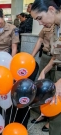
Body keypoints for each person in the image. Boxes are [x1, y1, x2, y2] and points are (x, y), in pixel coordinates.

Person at [31, 0, 61, 134]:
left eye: (39, 18)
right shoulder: (56, 27)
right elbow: (57, 56)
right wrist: (44, 70)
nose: (40, 23)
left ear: (51, 10)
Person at [31, 24, 55, 132]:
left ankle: (52, 120)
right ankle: (43, 114)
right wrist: (31, 57)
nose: (40, 22)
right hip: (45, 57)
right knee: (42, 88)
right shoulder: (46, 25)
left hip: (56, 59)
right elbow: (40, 41)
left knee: (55, 90)